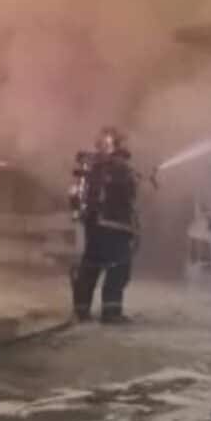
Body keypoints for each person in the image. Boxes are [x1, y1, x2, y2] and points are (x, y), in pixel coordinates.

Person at [69, 126, 139, 323]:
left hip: (94, 224)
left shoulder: (92, 166)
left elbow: (76, 196)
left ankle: (81, 310)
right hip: (114, 225)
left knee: (90, 266)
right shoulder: (119, 168)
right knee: (118, 268)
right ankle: (111, 312)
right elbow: (128, 195)